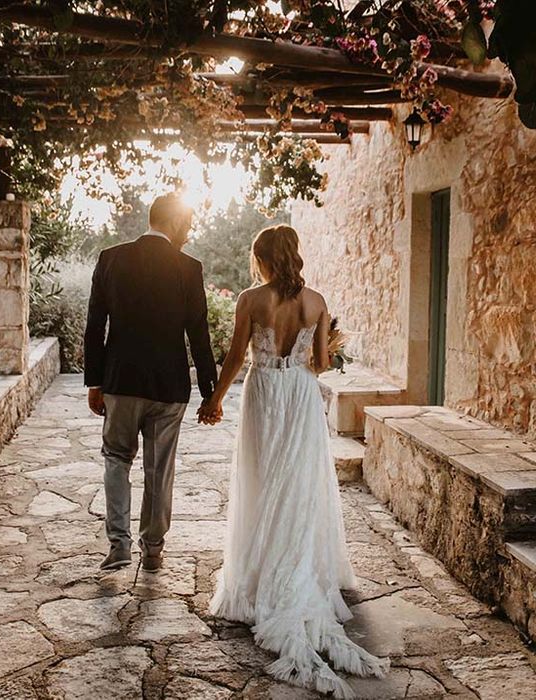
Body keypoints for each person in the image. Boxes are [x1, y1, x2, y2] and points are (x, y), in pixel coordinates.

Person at [199, 225, 389, 699]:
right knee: (299, 485)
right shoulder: (317, 302)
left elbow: (236, 356)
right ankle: (297, 572)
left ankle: (260, 576)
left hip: (264, 394)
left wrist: (215, 400)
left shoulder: (250, 300)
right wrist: (324, 344)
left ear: (261, 258)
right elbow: (321, 364)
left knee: (262, 482)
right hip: (301, 398)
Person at [83, 193, 218, 572]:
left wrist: (95, 381)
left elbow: (95, 327)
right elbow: (199, 333)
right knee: (159, 469)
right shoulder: (189, 268)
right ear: (173, 222)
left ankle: (119, 545)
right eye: (187, 224)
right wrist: (210, 391)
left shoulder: (111, 259)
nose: (189, 232)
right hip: (169, 386)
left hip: (121, 381)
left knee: (116, 460)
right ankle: (154, 549)